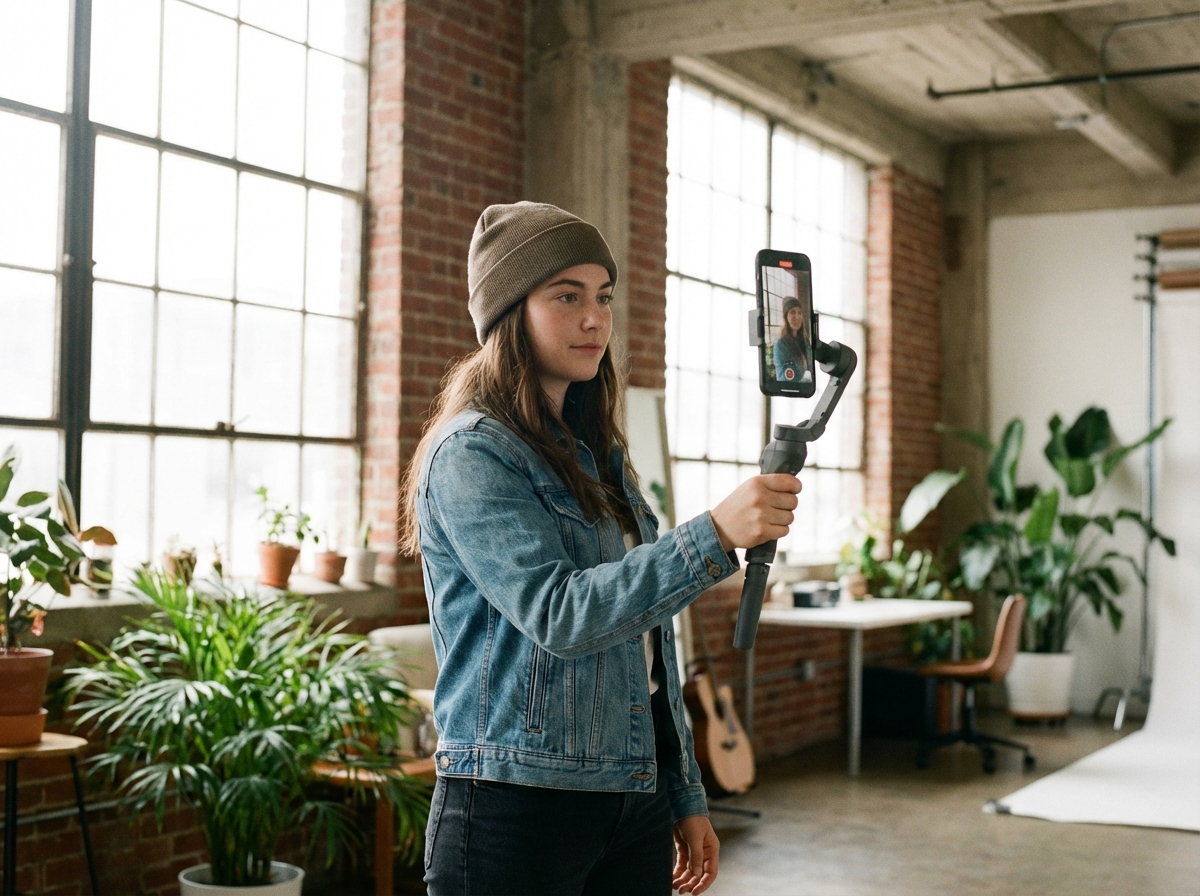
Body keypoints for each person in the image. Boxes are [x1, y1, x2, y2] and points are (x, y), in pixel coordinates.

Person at [399, 201, 802, 896]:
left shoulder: (599, 454)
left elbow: (648, 644)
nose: (594, 318)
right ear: (507, 313)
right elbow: (562, 615)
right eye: (566, 296)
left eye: (603, 297)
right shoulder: (471, 454)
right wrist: (714, 533)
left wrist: (683, 791)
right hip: (514, 804)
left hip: (629, 797)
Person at [772, 297, 812, 384]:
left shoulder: (806, 343)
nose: (796, 317)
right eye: (792, 312)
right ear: (786, 317)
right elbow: (785, 379)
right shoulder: (781, 345)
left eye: (799, 313)